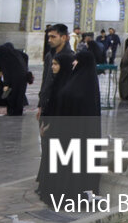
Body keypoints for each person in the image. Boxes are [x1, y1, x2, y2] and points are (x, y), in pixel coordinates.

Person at [37, 48, 102, 209]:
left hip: (71, 135)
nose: (74, 63)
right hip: (74, 135)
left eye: (77, 60)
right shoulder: (83, 83)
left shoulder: (80, 86)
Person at [0, 41, 29, 116]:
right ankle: (18, 111)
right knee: (20, 95)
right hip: (23, 78)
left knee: (11, 95)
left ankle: (11, 111)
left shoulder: (5, 57)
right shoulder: (18, 55)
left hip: (13, 80)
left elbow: (6, 72)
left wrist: (6, 84)